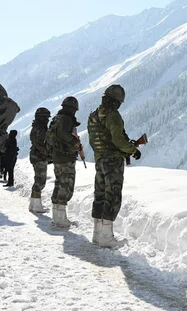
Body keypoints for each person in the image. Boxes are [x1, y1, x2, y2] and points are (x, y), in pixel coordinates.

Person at [87, 84, 140, 248]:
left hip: (99, 159)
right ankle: (107, 237)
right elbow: (118, 140)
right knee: (113, 195)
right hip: (113, 162)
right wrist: (133, 150)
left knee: (100, 194)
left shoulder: (93, 115)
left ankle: (97, 234)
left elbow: (93, 140)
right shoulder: (113, 116)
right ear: (117, 101)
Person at [48, 97, 84, 229]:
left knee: (59, 184)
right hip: (65, 157)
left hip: (57, 156)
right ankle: (61, 220)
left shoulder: (57, 118)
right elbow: (63, 134)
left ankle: (57, 217)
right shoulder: (66, 119)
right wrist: (74, 142)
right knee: (66, 186)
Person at [28, 107, 51, 214]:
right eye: (46, 118)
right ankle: (36, 205)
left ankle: (33, 204)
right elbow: (41, 144)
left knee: (38, 179)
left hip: (35, 155)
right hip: (39, 156)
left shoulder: (36, 127)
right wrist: (48, 153)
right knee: (40, 181)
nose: (48, 120)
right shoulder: (41, 128)